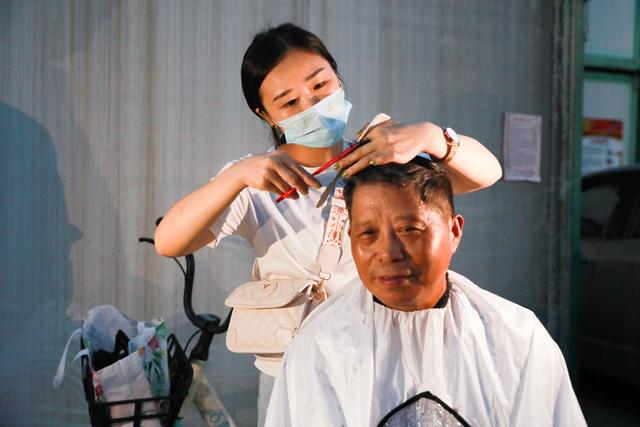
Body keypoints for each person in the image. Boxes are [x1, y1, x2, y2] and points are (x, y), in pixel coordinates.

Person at [154, 23, 502, 425]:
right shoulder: (257, 179)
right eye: (289, 102)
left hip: (388, 364)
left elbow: (487, 173)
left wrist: (430, 137)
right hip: (294, 375)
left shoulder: (384, 156)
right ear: (265, 114)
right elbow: (169, 241)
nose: (312, 104)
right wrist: (235, 178)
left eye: (320, 85)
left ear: (337, 76)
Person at [265, 159, 586, 427]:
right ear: (351, 238)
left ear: (454, 231)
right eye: (368, 233)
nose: (388, 253)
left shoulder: (515, 337)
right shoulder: (322, 341)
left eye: (410, 230)